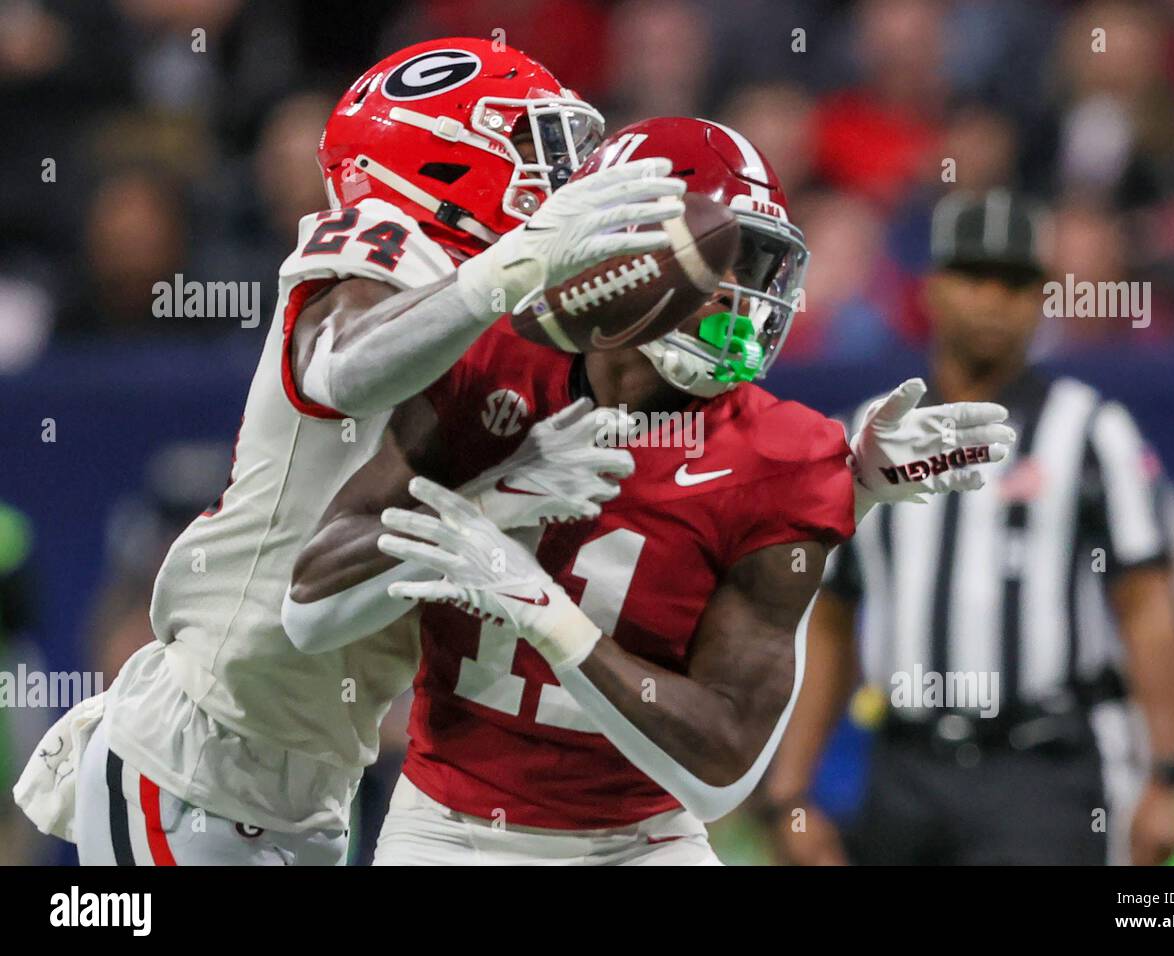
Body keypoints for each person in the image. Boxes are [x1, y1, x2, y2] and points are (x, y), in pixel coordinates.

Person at [14, 37, 685, 866]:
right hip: (199, 752)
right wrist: (514, 265)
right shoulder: (378, 240)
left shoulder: (495, 315)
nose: (558, 174)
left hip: (320, 780)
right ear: (442, 157)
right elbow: (340, 367)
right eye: (526, 142)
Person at [283, 117, 1016, 865]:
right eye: (716, 265)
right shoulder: (494, 362)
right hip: (451, 826)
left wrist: (542, 610)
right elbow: (307, 610)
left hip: (641, 840)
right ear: (625, 257)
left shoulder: (788, 457)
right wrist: (490, 504)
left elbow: (720, 771)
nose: (740, 302)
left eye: (755, 270)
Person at [764, 189, 1174, 866]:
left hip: (1040, 768)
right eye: (973, 276)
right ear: (931, 288)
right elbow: (832, 618)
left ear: (1042, 297)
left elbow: (1146, 606)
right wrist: (789, 791)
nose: (992, 299)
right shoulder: (867, 436)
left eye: (1014, 283)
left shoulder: (1092, 431)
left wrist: (1166, 776)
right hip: (904, 763)